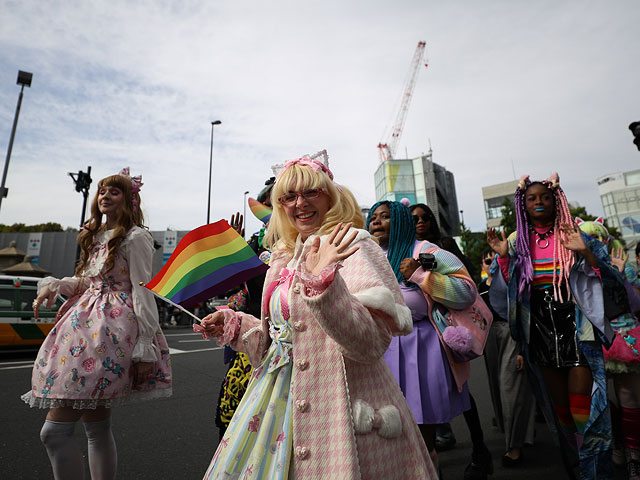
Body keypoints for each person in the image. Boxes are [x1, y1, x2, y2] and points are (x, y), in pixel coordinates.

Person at [198, 150, 436, 479]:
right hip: (274, 404)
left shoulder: (353, 244)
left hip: (341, 408)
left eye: (311, 192)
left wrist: (325, 286)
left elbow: (370, 344)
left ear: (330, 196)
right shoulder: (282, 257)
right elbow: (281, 342)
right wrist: (236, 325)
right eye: (289, 196)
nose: (300, 203)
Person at [23, 168, 172, 480]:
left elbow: (142, 289)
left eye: (114, 191)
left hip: (112, 332)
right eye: (102, 191)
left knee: (55, 432)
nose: (105, 195)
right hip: (82, 325)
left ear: (130, 200)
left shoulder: (136, 237)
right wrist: (56, 285)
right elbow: (87, 282)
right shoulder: (95, 236)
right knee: (96, 426)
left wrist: (145, 346)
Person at [487, 173, 615, 479]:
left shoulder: (574, 231)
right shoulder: (518, 241)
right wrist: (505, 260)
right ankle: (575, 464)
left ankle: (593, 470)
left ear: (556, 200)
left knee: (583, 406)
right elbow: (508, 294)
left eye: (544, 196)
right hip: (540, 328)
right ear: (524, 205)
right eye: (531, 199)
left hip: (575, 324)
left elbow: (606, 274)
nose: (538, 202)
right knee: (561, 411)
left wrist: (583, 250)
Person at [367, 200, 484, 475]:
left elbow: (467, 290)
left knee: (422, 434)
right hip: (379, 351)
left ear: (401, 221)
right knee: (385, 432)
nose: (376, 221)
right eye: (373, 217)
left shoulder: (425, 249)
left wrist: (421, 275)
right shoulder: (365, 255)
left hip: (421, 348)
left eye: (385, 216)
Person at [410, 202, 492, 479]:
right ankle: (438, 445)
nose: (420, 222)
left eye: (424, 218)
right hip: (423, 332)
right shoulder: (404, 248)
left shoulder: (439, 247)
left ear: (432, 221)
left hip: (447, 327)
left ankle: (480, 450)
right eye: (414, 218)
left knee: (462, 392)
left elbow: (465, 280)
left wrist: (424, 270)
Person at [577, 218, 640, 479]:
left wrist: (619, 273)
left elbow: (635, 303)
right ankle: (618, 444)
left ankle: (634, 455)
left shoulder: (622, 263)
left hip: (625, 335)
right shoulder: (575, 269)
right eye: (589, 239)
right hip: (593, 338)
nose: (596, 244)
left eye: (598, 238)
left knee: (629, 397)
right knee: (603, 401)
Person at [478, 248, 535, 467]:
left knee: (510, 388)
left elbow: (523, 315)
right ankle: (514, 435)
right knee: (497, 389)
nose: (490, 263)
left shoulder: (514, 283)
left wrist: (522, 348)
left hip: (512, 336)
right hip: (490, 339)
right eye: (486, 260)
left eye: (494, 259)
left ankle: (514, 447)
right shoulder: (480, 289)